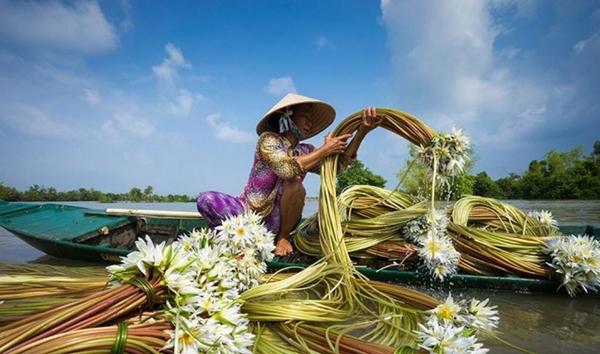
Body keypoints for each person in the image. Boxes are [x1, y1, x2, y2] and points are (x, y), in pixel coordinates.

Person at [197, 93, 381, 256]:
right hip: (248, 213)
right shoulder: (268, 140)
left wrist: (362, 132)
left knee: (295, 182)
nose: (310, 123)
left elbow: (338, 167)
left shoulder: (306, 150)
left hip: (277, 223)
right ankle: (232, 239)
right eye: (305, 117)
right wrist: (325, 149)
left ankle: (283, 239)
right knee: (206, 199)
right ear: (287, 116)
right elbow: (286, 169)